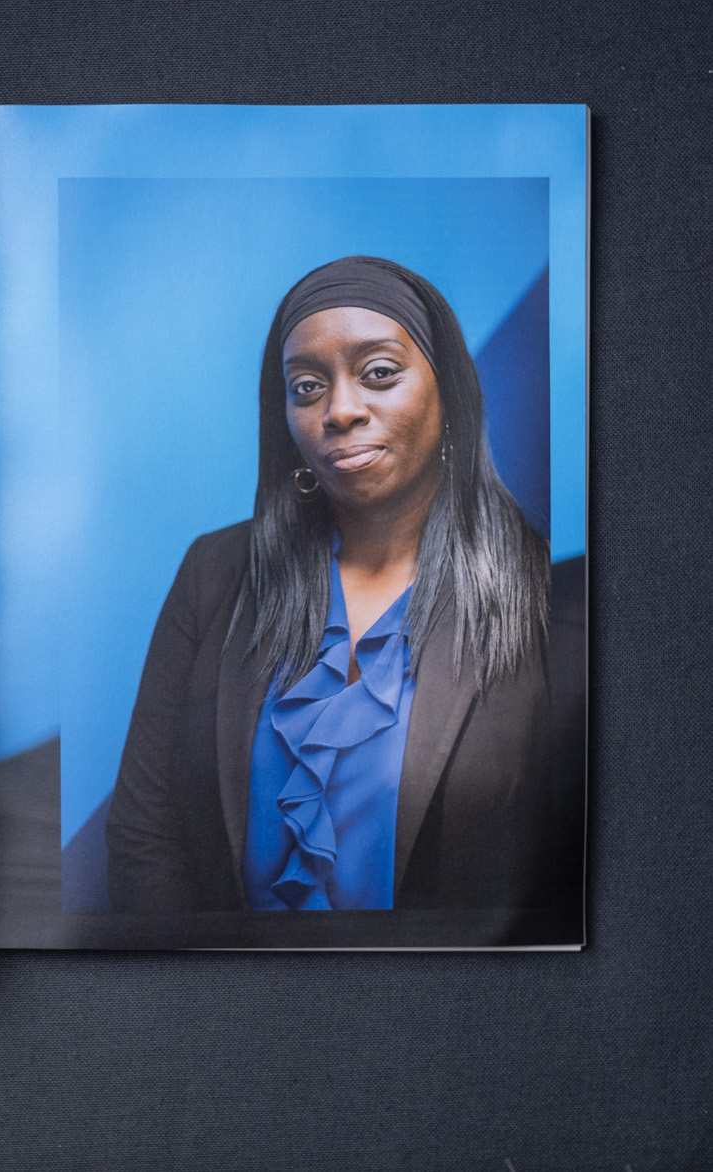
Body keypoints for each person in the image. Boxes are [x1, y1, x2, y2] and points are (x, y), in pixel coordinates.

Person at [105, 255, 554, 913]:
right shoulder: (216, 571)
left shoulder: (540, 590)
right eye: (308, 386)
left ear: (449, 393)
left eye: (378, 373)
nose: (340, 410)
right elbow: (143, 833)